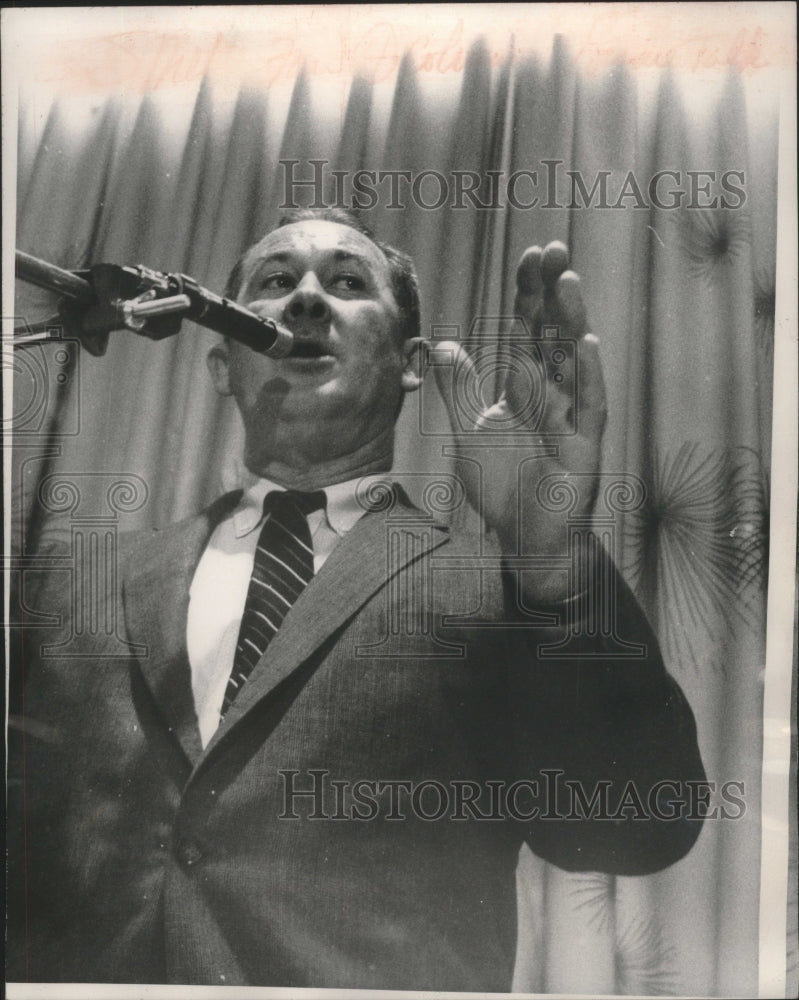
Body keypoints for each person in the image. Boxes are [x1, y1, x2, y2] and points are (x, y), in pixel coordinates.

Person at [7, 208, 706, 990]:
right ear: (219, 365)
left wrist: (552, 562)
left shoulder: (509, 591)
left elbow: (639, 825)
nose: (306, 300)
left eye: (346, 282)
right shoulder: (65, 585)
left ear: (410, 363)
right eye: (275, 283)